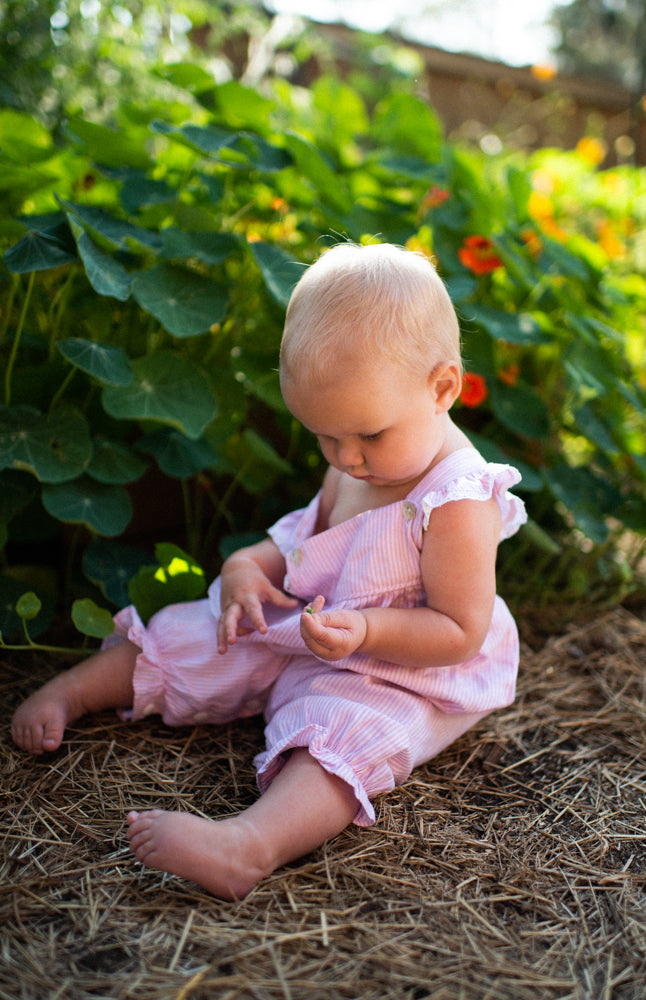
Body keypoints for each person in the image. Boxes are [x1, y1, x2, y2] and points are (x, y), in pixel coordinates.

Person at [11, 242, 527, 901]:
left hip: (403, 664)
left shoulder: (457, 499)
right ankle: (75, 690)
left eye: (366, 436)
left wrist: (365, 632)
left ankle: (247, 845)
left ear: (443, 388)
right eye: (324, 435)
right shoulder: (357, 448)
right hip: (319, 621)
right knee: (206, 630)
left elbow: (458, 628)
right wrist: (245, 568)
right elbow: (301, 541)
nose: (345, 456)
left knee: (346, 733)